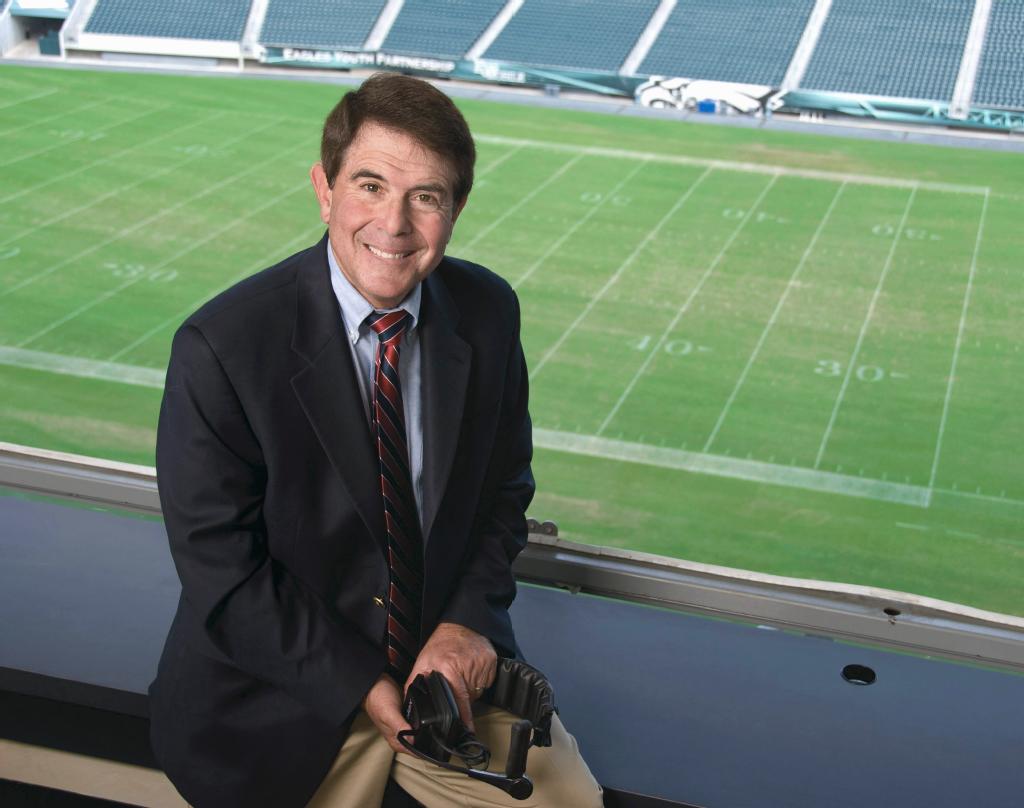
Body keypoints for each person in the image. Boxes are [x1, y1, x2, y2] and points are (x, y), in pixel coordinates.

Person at [149, 72, 602, 808]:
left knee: (571, 803)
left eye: (426, 197)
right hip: (279, 691)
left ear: (455, 211)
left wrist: (465, 625)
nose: (394, 224)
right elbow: (223, 573)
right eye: (370, 186)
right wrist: (361, 683)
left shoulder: (488, 312)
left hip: (438, 680)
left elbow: (503, 495)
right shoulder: (223, 346)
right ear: (324, 190)